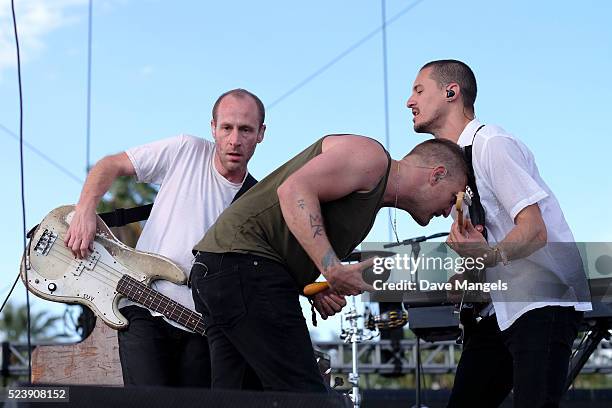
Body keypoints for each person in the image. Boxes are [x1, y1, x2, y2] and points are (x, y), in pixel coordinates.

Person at [190, 134, 468, 392]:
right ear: (437, 175)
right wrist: (332, 268)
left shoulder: (369, 205)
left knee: (238, 396)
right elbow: (294, 190)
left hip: (222, 268)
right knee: (305, 394)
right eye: (455, 198)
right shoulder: (372, 157)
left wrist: (309, 285)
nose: (448, 213)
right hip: (242, 266)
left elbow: (286, 235)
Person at [407, 59, 592, 408]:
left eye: (418, 90)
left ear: (451, 92)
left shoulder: (492, 144)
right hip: (500, 310)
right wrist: (470, 275)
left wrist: (487, 257)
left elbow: (534, 230)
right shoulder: (464, 162)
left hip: (542, 299)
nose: (409, 102)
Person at [64, 88, 266, 387]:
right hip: (142, 306)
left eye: (246, 130)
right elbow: (111, 164)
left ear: (261, 133)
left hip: (200, 327)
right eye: (227, 128)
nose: (235, 140)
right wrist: (84, 210)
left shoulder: (257, 200)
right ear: (213, 128)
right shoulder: (185, 150)